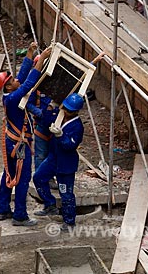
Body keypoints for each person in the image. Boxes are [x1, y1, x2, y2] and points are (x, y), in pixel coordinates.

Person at [0, 42, 52, 226]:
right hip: (19, 145)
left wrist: (30, 53)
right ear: (8, 87)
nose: (14, 79)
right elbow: (28, 82)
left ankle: (3, 209)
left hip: (12, 141)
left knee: (8, 173)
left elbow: (22, 76)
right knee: (22, 178)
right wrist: (41, 60)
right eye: (11, 81)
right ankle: (20, 215)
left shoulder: (9, 96)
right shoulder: (14, 97)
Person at [33, 93, 85, 230]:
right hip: (53, 158)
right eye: (65, 109)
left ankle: (69, 222)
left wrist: (61, 136)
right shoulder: (59, 115)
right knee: (38, 178)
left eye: (69, 111)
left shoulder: (77, 126)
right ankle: (50, 204)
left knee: (66, 193)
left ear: (76, 111)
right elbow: (44, 121)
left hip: (66, 164)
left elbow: (71, 146)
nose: (66, 112)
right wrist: (50, 108)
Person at [27, 55, 59, 189]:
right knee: (41, 154)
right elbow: (28, 104)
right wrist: (40, 113)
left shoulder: (54, 83)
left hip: (54, 124)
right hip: (41, 126)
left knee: (53, 153)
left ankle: (50, 177)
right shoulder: (35, 86)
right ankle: (40, 179)